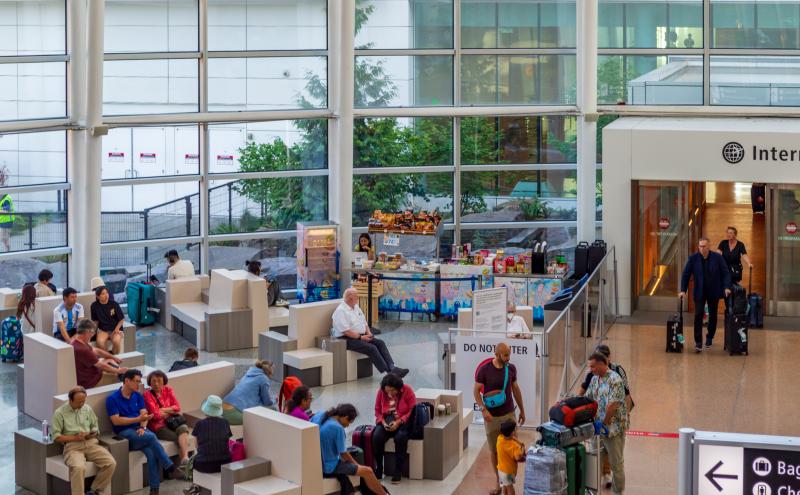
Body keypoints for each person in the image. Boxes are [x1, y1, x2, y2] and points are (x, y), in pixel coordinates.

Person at [106, 369, 184, 495]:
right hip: (125, 433)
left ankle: (154, 489)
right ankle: (169, 467)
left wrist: (142, 427)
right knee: (152, 437)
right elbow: (116, 421)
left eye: (139, 381)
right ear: (126, 381)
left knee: (151, 451)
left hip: (140, 431)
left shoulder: (137, 395)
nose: (139, 384)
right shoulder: (112, 399)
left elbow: (144, 414)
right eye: (136, 381)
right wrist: (138, 420)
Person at [474, 342, 526, 495]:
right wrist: (483, 409)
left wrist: (522, 410)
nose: (508, 357)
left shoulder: (511, 369)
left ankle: (507, 483)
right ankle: (499, 482)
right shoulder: (484, 370)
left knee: (512, 449)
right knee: (495, 451)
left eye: (509, 354)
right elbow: (476, 391)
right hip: (492, 417)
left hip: (509, 414)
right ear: (496, 354)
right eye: (505, 355)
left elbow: (515, 389)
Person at [579, 344, 633, 488]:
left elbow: (612, 406)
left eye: (593, 367)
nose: (590, 370)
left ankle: (618, 492)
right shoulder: (595, 379)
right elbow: (587, 398)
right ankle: (593, 490)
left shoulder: (615, 379)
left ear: (603, 364)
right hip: (598, 430)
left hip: (613, 430)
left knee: (617, 464)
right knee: (595, 461)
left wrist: (602, 425)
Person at [51, 386, 117, 495]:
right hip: (73, 447)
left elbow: (95, 427)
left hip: (91, 444)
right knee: (78, 467)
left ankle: (94, 491)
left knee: (111, 463)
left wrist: (92, 433)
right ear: (70, 400)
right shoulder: (59, 413)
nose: (82, 404)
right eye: (79, 402)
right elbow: (56, 436)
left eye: (83, 401)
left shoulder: (87, 409)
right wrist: (75, 438)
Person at [311, 404, 387, 495]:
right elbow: (343, 454)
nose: (347, 426)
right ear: (345, 417)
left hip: (318, 462)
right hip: (329, 467)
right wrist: (358, 465)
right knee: (368, 471)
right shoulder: (337, 428)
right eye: (349, 422)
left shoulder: (320, 415)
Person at [332, 288, 408, 377]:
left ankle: (392, 367)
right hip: (346, 339)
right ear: (350, 298)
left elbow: (364, 322)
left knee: (380, 343)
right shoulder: (341, 311)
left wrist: (368, 333)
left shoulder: (355, 306)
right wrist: (360, 338)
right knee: (371, 348)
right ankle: (389, 373)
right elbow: (346, 331)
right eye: (356, 296)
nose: (358, 298)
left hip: (361, 335)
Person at [680, 236, 732, 352]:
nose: (702, 248)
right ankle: (698, 342)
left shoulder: (717, 258)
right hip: (699, 291)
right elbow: (686, 274)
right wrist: (683, 290)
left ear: (709, 247)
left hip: (713, 291)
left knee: (713, 316)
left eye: (704, 246)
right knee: (698, 314)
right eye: (700, 246)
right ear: (698, 247)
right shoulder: (693, 258)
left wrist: (727, 287)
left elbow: (726, 273)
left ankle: (709, 337)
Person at [183, 395, 232, 495]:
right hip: (224, 463)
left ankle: (195, 487)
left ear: (206, 409)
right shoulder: (225, 422)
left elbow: (196, 445)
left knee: (192, 461)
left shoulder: (199, 424)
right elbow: (227, 441)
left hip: (204, 465)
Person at [372, 372, 416, 484]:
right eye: (387, 391)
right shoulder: (382, 392)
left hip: (404, 419)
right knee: (376, 437)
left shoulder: (407, 390)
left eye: (392, 390)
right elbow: (377, 410)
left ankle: (398, 470)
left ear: (398, 387)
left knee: (400, 438)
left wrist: (399, 422)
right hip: (387, 419)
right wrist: (382, 421)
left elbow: (412, 410)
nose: (390, 393)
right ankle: (379, 467)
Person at [144, 370, 191, 465]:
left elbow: (177, 407)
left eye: (159, 381)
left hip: (172, 422)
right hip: (158, 427)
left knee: (184, 428)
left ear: (163, 381)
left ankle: (185, 458)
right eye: (153, 381)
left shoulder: (168, 390)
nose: (156, 384)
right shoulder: (147, 395)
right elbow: (156, 415)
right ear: (150, 382)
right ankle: (185, 464)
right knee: (180, 438)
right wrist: (170, 410)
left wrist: (163, 410)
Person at [72, 320, 127, 389]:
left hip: (91, 373)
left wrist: (113, 357)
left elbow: (96, 350)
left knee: (110, 362)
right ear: (87, 332)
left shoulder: (76, 341)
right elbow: (101, 365)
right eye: (92, 332)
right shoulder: (83, 350)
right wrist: (118, 371)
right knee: (120, 379)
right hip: (91, 381)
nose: (92, 335)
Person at [222, 360, 275, 425]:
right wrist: (274, 400)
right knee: (273, 410)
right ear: (269, 371)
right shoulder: (263, 378)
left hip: (221, 409)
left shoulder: (248, 373)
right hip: (234, 414)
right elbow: (267, 402)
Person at [91, 286, 125, 355]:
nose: (106, 295)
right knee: (100, 342)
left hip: (115, 328)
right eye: (103, 294)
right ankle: (108, 357)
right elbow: (96, 321)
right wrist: (93, 332)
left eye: (107, 293)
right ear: (98, 296)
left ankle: (114, 356)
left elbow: (121, 319)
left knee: (116, 341)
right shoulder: (94, 306)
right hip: (103, 329)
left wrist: (116, 329)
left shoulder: (114, 304)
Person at [496, 420, 526, 495]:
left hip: (500, 469)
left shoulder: (500, 438)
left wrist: (519, 442)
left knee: (504, 485)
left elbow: (511, 437)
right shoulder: (514, 446)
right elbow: (517, 458)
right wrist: (522, 449)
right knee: (510, 488)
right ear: (512, 432)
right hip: (509, 472)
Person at [0, 170, 13, 252]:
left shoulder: (6, 199)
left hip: (6, 222)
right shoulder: (2, 198)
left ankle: (7, 252)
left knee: (4, 238)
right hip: (3, 222)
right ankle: (7, 251)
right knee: (4, 238)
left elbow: (6, 211)